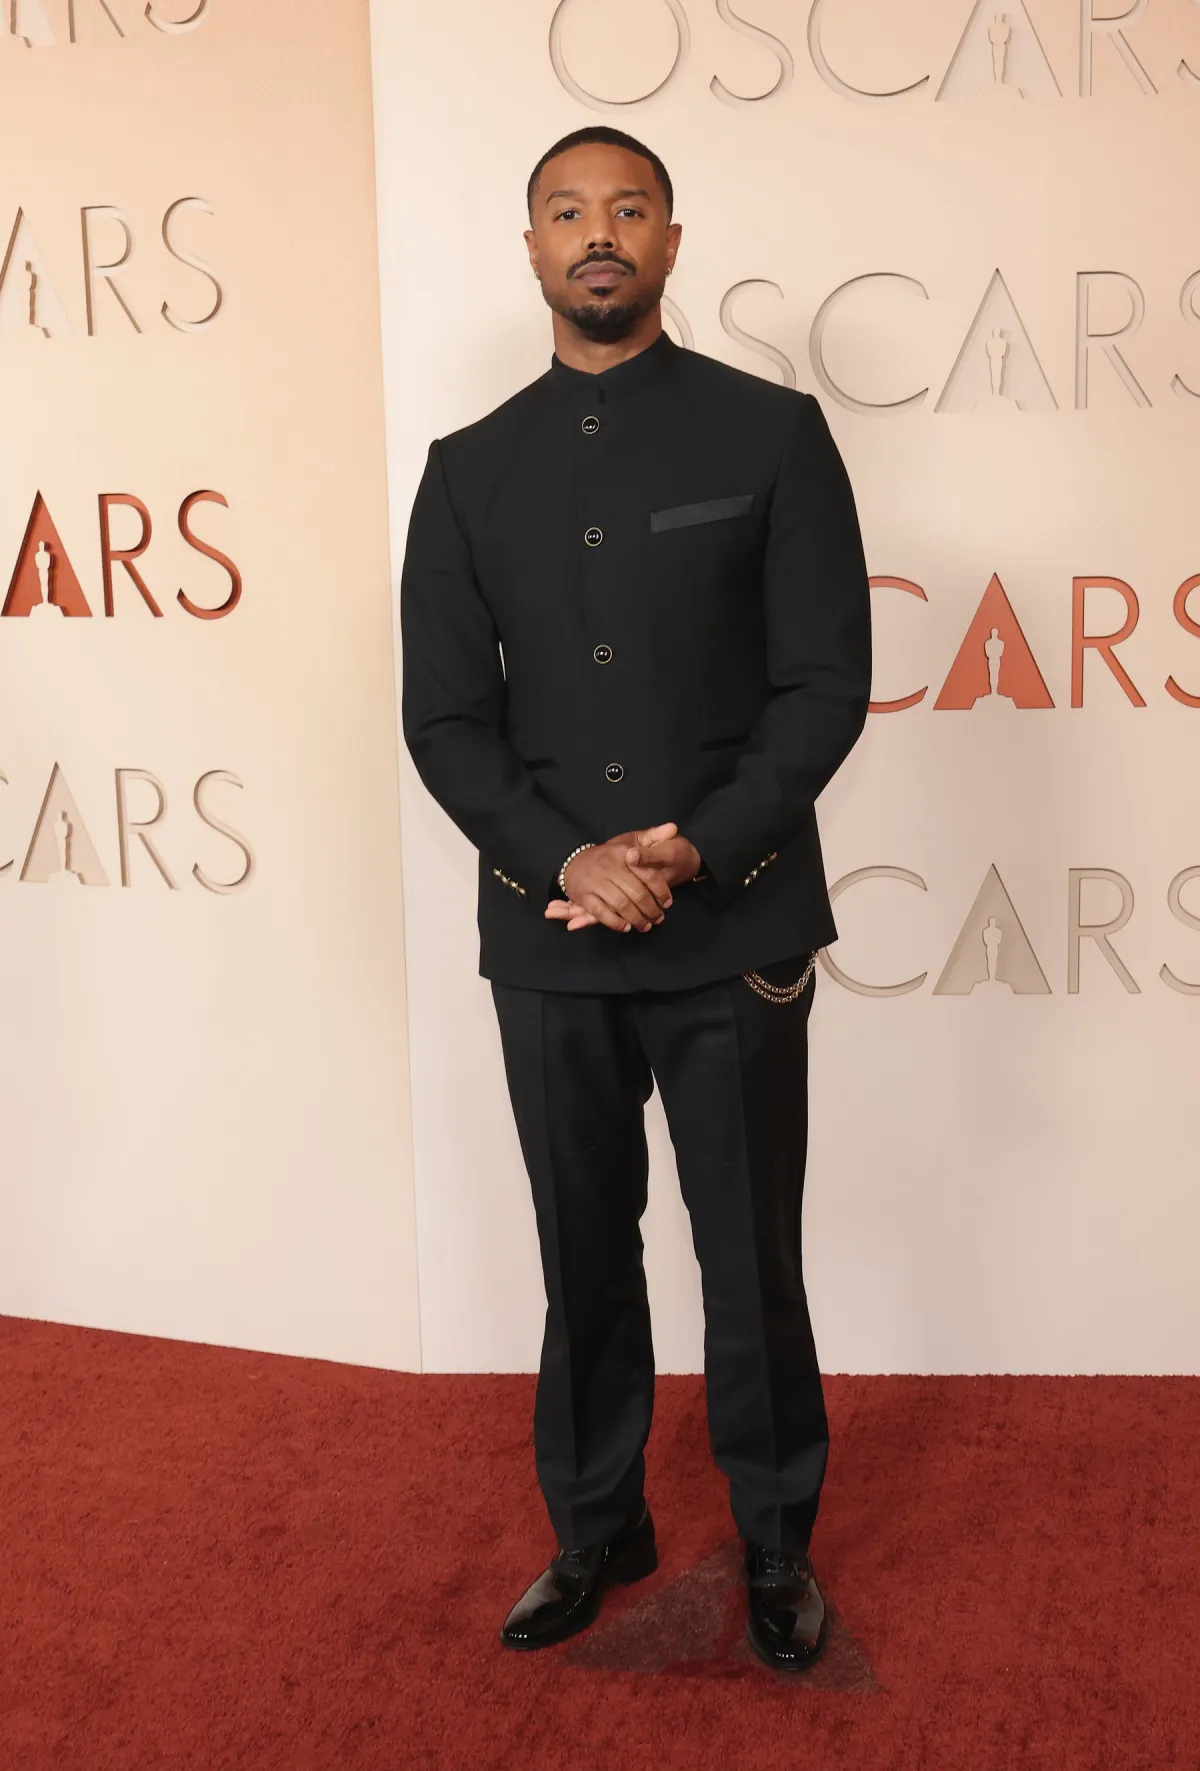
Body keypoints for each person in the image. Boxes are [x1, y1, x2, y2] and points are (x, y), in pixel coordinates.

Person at [400, 126, 872, 1672]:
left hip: (736, 924)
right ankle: (598, 1528)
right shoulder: (467, 471)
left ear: (671, 240)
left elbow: (824, 684)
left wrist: (697, 847)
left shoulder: (773, 435)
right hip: (550, 941)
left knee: (750, 1259)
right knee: (581, 1254)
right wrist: (569, 861)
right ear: (531, 247)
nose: (596, 233)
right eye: (566, 211)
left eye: (626, 209)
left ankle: (778, 1543)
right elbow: (445, 720)